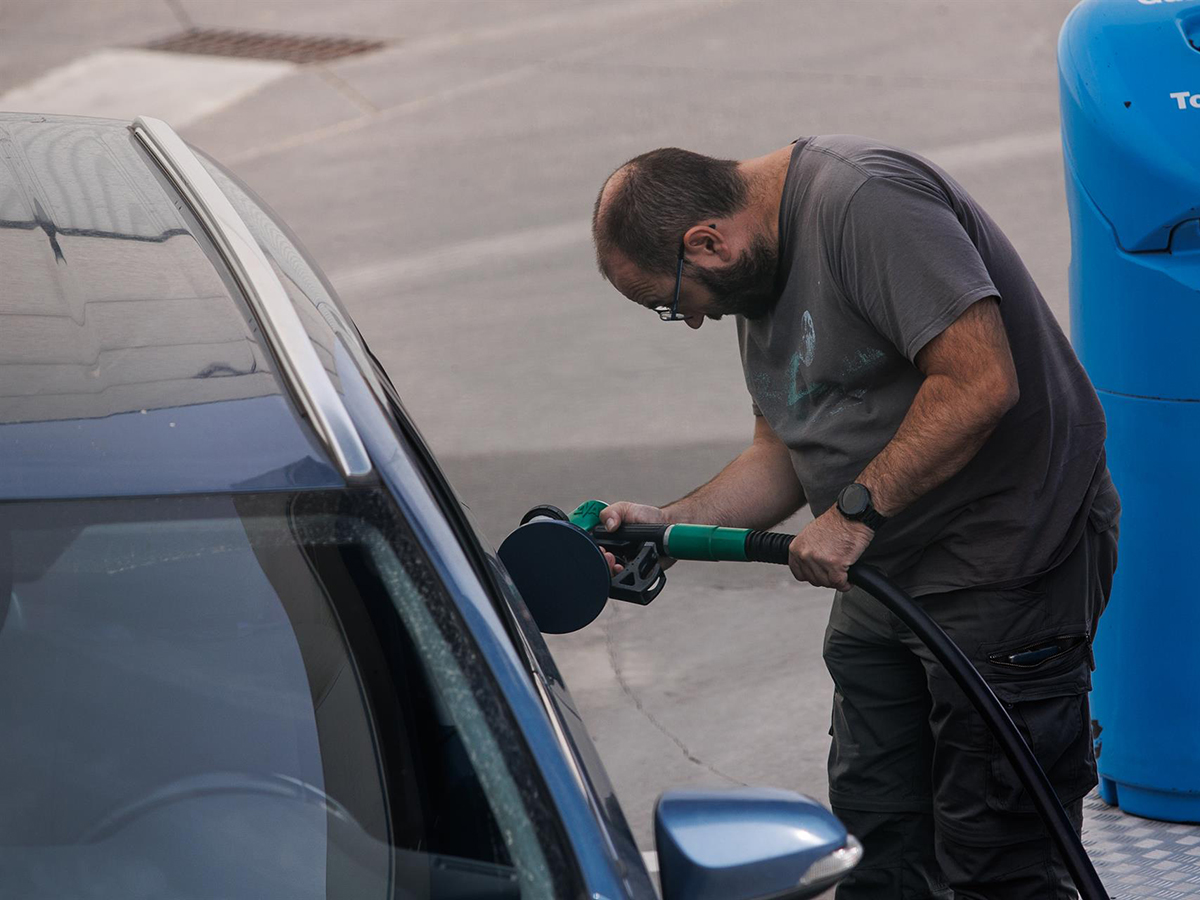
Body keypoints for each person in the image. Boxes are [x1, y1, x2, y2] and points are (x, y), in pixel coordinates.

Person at [590, 136, 1120, 899]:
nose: (695, 322)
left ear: (707, 241)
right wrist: (666, 526)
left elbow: (980, 381)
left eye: (672, 304)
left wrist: (853, 513)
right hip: (885, 580)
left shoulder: (867, 203)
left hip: (1004, 562)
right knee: (877, 840)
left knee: (996, 858)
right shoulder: (756, 269)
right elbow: (783, 451)